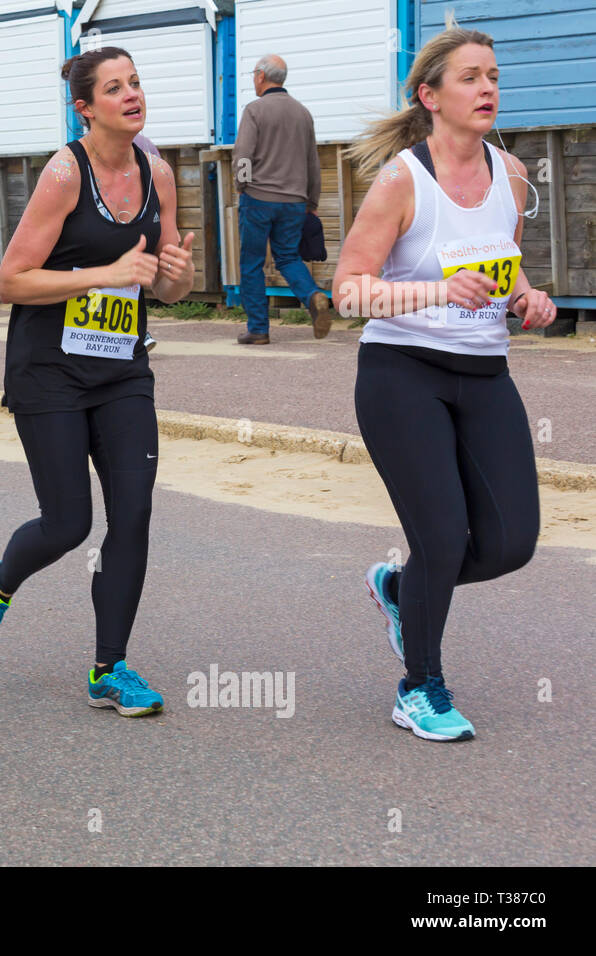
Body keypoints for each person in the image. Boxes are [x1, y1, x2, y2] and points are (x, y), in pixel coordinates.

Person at [0, 47, 194, 717]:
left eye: (136, 82)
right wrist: (104, 275)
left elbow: (170, 289)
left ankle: (109, 669)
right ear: (84, 106)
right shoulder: (65, 173)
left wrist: (173, 271)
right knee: (67, 522)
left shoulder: (159, 174)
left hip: (121, 371)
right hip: (50, 371)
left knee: (135, 511)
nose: (131, 94)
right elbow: (10, 280)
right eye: (114, 88)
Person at [334, 26, 555, 741]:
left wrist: (527, 296)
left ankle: (400, 592)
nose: (487, 88)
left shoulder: (513, 174)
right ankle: (419, 688)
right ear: (431, 96)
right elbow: (347, 292)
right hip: (402, 373)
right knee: (439, 535)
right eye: (469, 78)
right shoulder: (404, 180)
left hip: (485, 373)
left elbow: (501, 261)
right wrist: (432, 292)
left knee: (511, 540)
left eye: (492, 75)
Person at [232, 54, 333, 343]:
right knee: (288, 257)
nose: (253, 78)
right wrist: (311, 203)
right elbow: (312, 161)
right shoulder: (303, 113)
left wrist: (242, 185)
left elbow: (243, 155)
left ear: (261, 76)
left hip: (259, 198)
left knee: (252, 262)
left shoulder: (254, 110)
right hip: (295, 201)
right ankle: (313, 295)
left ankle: (258, 330)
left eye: (254, 74)